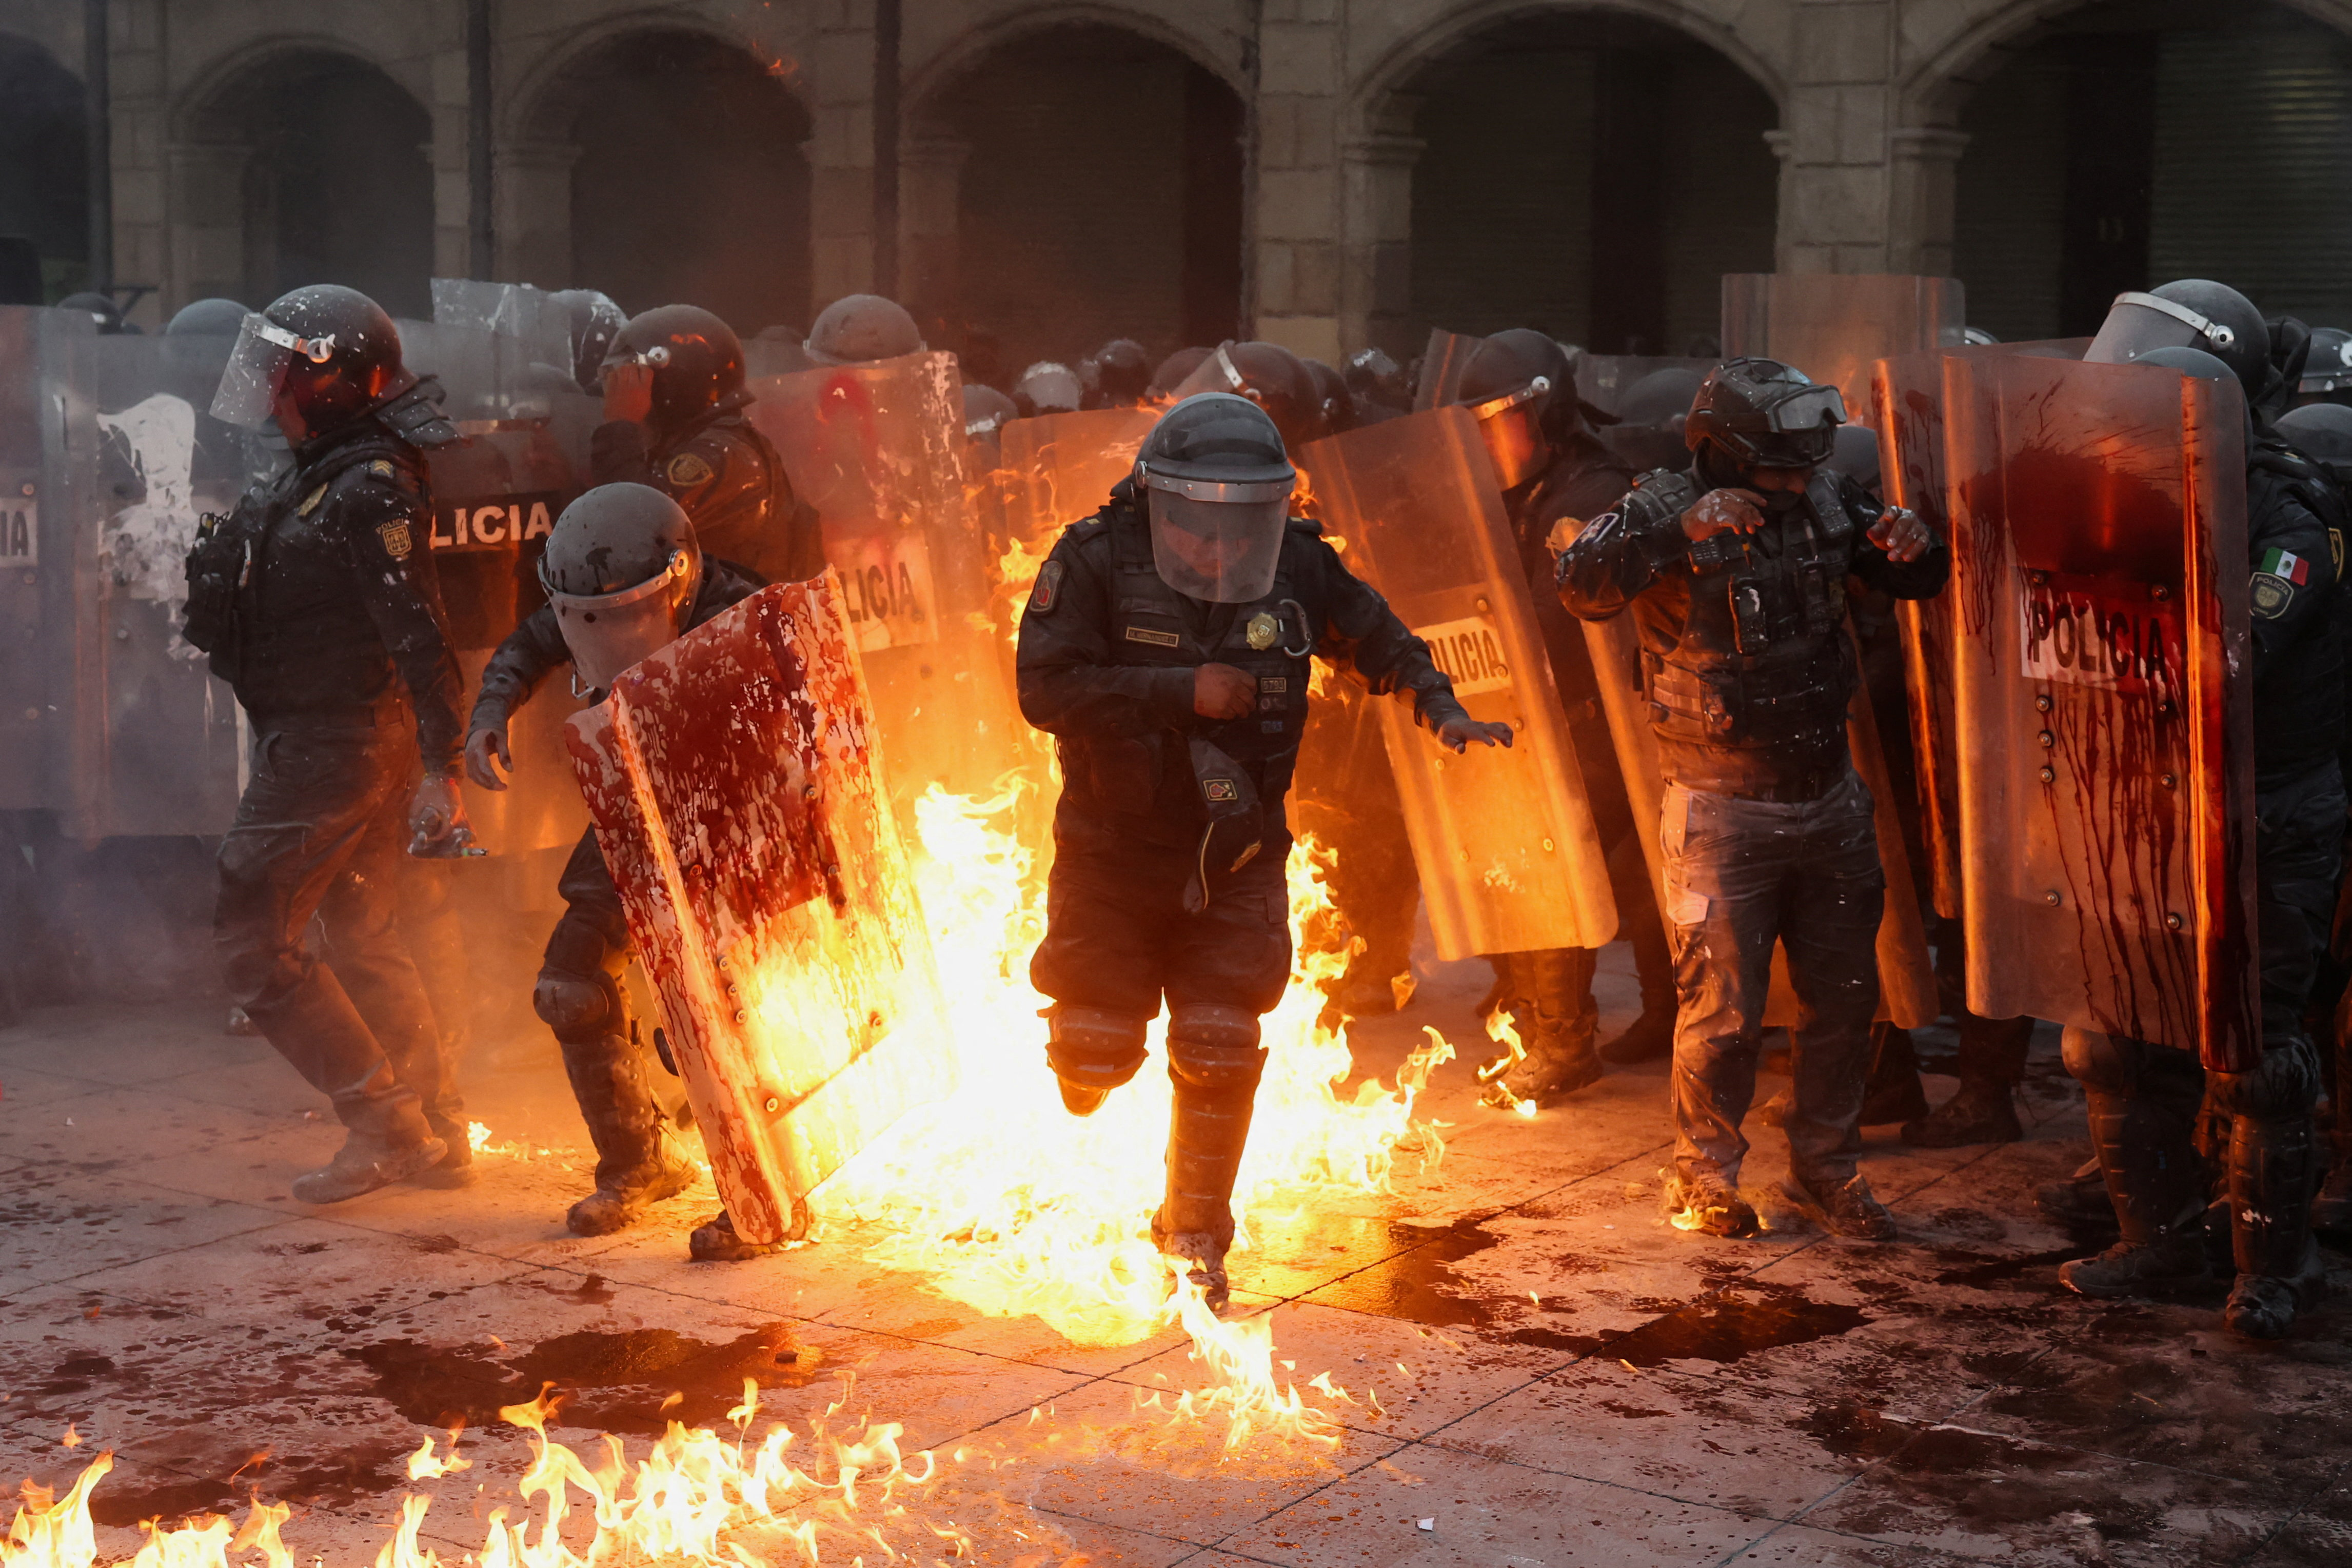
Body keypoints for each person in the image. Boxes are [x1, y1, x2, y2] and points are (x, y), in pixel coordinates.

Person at [1018, 392, 1510, 1307]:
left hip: (1238, 854)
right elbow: (1044, 688)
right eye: (1199, 528)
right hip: (1111, 853)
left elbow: (1380, 639)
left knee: (1217, 1039)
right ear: (1160, 507)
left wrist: (1439, 705)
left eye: (1240, 526)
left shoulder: (1299, 565)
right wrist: (1180, 691)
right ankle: (1091, 1068)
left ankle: (1195, 1234)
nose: (1218, 548)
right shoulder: (1092, 558)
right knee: (1092, 1055)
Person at [1559, 358, 1947, 1241]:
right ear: (1725, 455)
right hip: (1719, 804)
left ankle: (1827, 1172)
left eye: (1802, 469)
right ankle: (1703, 1177)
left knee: (1845, 1005)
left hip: (1830, 796)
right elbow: (1580, 584)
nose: (1792, 485)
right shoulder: (1657, 504)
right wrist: (1677, 536)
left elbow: (1913, 579)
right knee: (1723, 1016)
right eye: (1776, 470)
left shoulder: (1823, 497)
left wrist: (1914, 547)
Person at [2055, 294, 2344, 1338]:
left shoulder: (2289, 518)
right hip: (2144, 805)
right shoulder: (2127, 497)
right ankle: (2159, 1240)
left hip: (2264, 810)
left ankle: (2278, 1265)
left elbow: (2236, 652)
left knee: (2254, 1051)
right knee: (2115, 1039)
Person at [184, 284, 476, 1202]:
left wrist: (445, 767)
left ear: (339, 381)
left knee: (248, 934)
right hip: (332, 736)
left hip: (337, 744)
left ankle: (383, 1121)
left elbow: (421, 633)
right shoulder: (321, 473)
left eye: (284, 373)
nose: (270, 392)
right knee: (361, 930)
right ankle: (433, 1124)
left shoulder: (368, 486)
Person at [465, 484, 773, 1255]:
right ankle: (640, 1162)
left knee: (711, 1017)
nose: (609, 634)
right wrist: (489, 712)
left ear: (679, 579)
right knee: (571, 985)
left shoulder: (748, 621)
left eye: (629, 613)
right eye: (591, 617)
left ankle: (761, 1188)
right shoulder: (581, 603)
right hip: (638, 810)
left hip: (738, 827)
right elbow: (534, 642)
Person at [1453, 329, 1673, 1098]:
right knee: (1568, 868)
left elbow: (1556, 623)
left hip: (1602, 719)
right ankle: (1591, 1022)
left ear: (1546, 415)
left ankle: (1562, 1043)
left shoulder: (1587, 494)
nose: (1491, 445)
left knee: (1552, 862)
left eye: (1501, 425)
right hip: (1554, 716)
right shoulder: (1530, 493)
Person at [591, 304, 821, 586]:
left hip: (737, 627)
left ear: (667, 381)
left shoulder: (722, 455)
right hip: (725, 625)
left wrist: (621, 424)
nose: (615, 397)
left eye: (632, 382)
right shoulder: (712, 443)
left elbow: (633, 531)